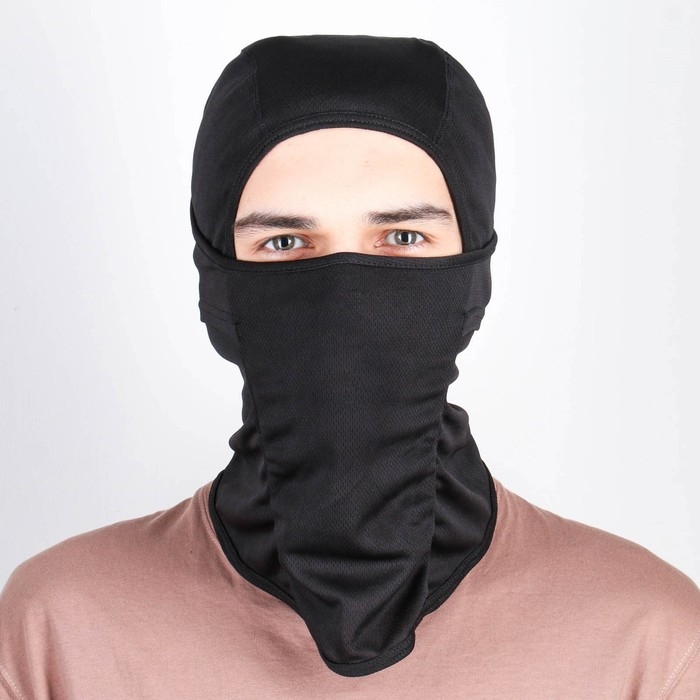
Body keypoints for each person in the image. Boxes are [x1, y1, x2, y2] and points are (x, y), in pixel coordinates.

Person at [1, 34, 698, 699]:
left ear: (473, 273)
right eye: (284, 241)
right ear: (217, 279)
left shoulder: (649, 642)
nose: (345, 292)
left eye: (402, 236)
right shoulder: (55, 634)